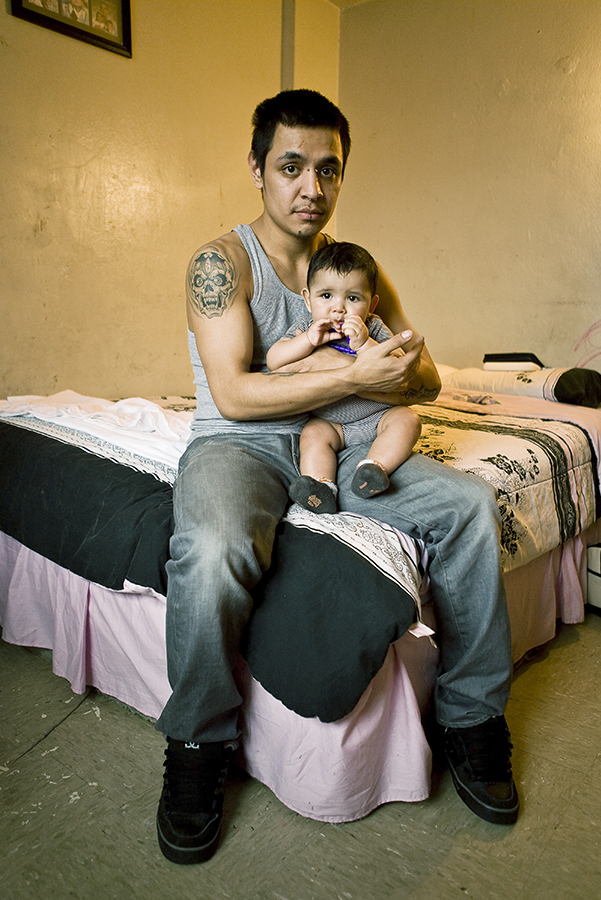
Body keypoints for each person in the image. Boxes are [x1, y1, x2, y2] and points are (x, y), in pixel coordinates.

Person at [155, 89, 518, 866]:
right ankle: (196, 743)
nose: (310, 188)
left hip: (348, 445)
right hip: (241, 447)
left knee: (468, 508)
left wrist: (386, 372)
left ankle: (471, 717)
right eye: (290, 167)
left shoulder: (352, 269)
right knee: (214, 548)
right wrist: (353, 374)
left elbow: (418, 378)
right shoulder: (220, 264)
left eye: (327, 170)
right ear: (256, 168)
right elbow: (235, 393)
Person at [266, 241, 422, 513]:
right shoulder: (307, 328)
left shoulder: (373, 326)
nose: (338, 309)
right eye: (326, 296)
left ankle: (374, 469)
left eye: (352, 298)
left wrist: (364, 344)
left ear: (371, 303)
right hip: (332, 423)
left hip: (378, 417)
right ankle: (321, 487)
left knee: (408, 419)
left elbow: (396, 368)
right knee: (313, 434)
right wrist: (307, 341)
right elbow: (274, 360)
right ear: (307, 298)